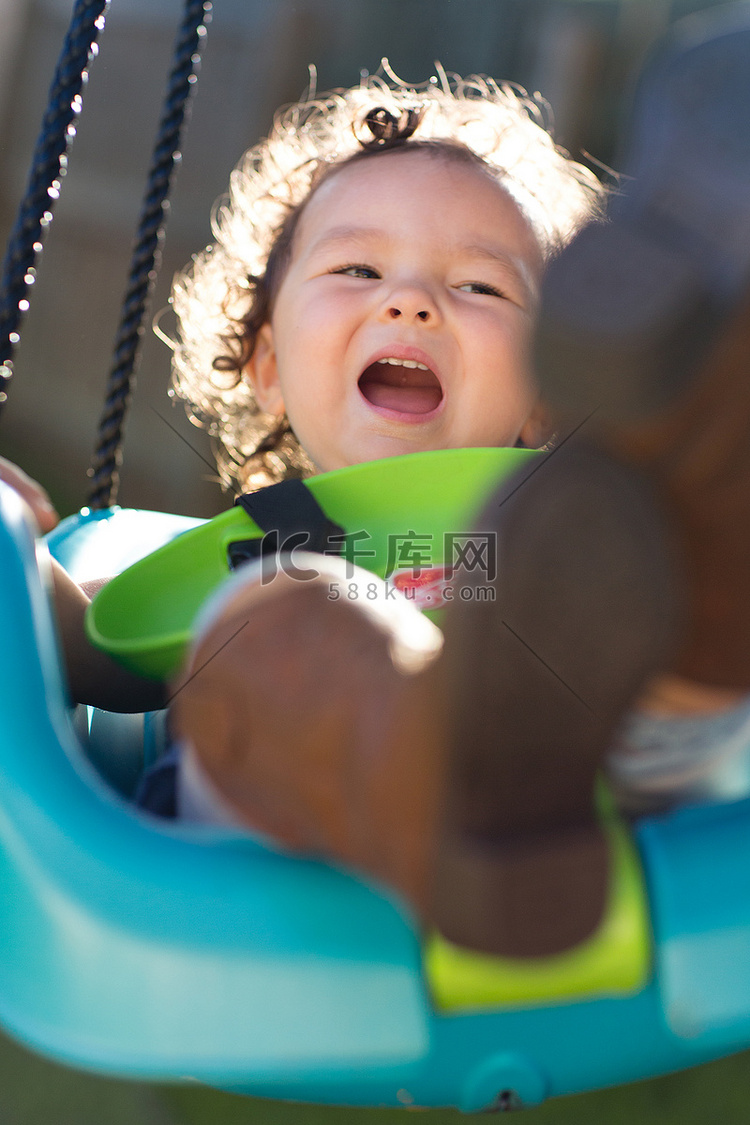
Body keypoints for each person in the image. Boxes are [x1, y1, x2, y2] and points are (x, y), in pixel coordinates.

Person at [168, 10, 750, 962]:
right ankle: (439, 790)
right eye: (357, 267)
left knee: (662, 567)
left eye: (481, 288)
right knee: (265, 614)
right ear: (267, 363)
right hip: (302, 844)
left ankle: (715, 375)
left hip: (621, 785)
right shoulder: (246, 546)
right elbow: (94, 643)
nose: (411, 301)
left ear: (549, 391)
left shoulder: (575, 541)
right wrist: (29, 565)